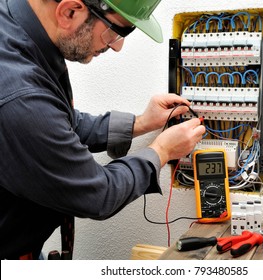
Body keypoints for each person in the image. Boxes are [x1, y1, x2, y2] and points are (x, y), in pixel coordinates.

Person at [0, 0, 205, 259]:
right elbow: (98, 193)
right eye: (117, 31)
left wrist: (141, 123)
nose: (117, 46)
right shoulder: (19, 95)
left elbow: (59, 122)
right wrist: (161, 151)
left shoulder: (18, 30)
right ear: (70, 11)